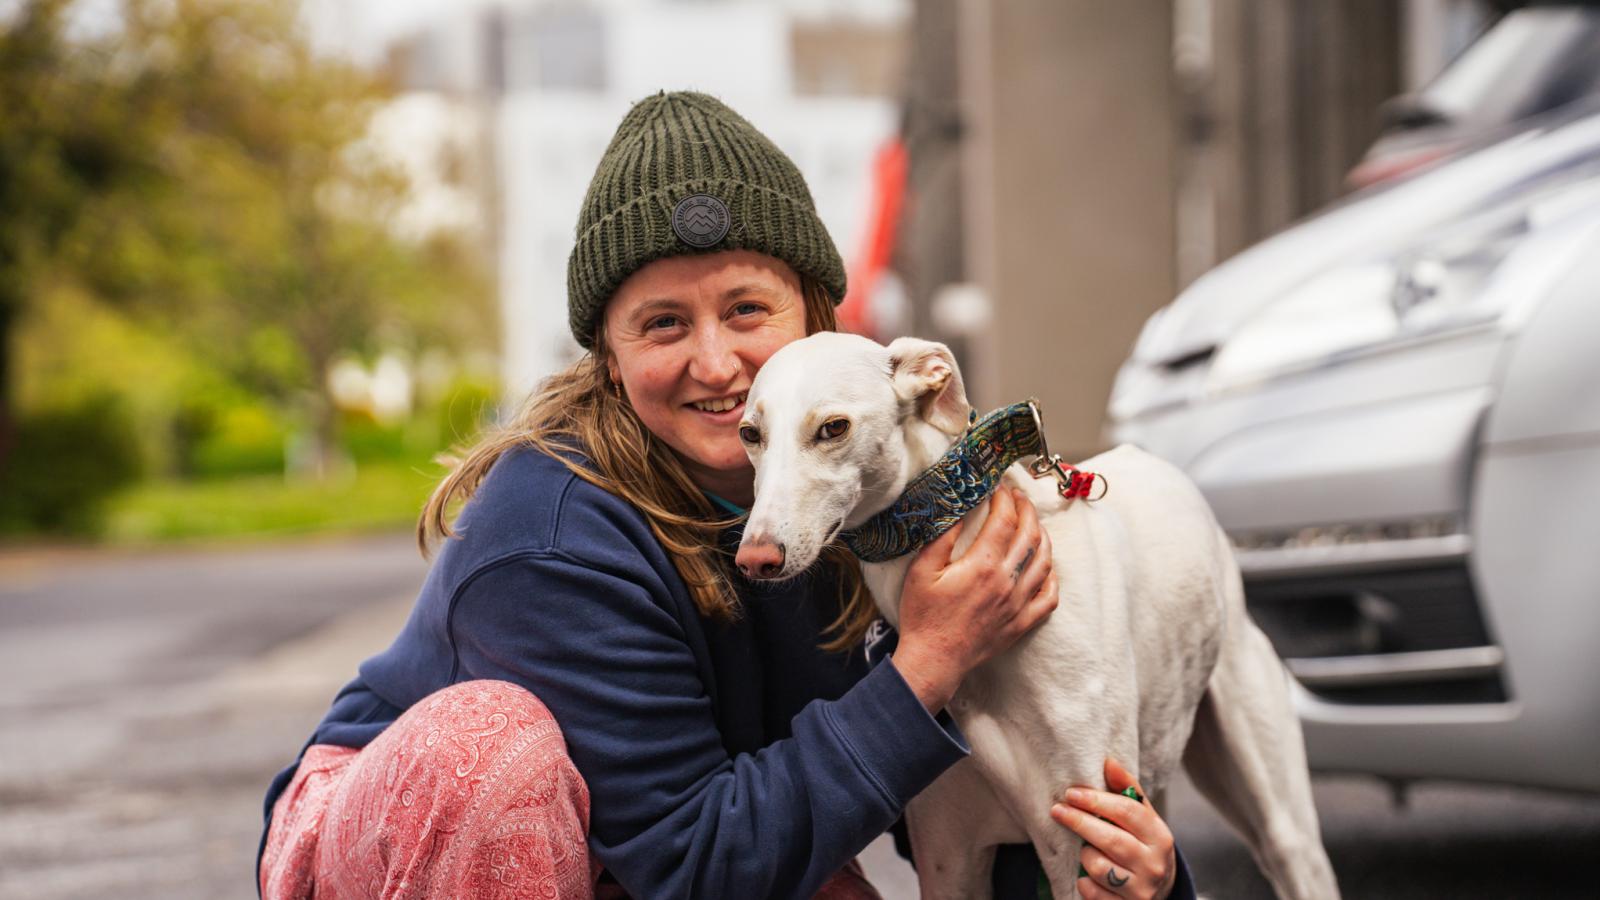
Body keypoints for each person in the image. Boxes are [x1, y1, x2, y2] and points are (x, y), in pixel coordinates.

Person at [259, 91, 1193, 900]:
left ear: (814, 316)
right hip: (412, 845)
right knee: (490, 751)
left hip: (675, 836)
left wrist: (1137, 875)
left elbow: (952, 803)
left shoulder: (872, 500)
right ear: (610, 359)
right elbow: (698, 869)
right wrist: (930, 660)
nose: (717, 365)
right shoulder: (548, 537)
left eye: (747, 309)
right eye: (663, 323)